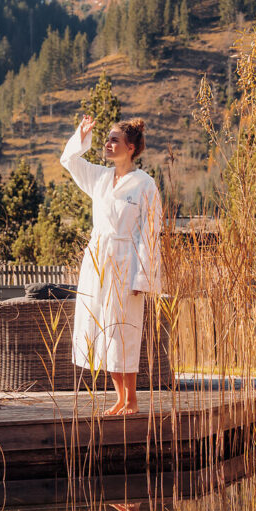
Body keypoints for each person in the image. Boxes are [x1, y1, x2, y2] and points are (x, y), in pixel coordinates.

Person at [59, 115, 162, 415]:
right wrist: (81, 135)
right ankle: (121, 398)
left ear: (130, 148)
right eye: (106, 138)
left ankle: (131, 399)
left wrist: (143, 278)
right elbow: (68, 159)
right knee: (102, 329)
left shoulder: (145, 184)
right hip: (98, 261)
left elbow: (150, 231)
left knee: (124, 329)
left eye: (114, 139)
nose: (107, 143)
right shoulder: (100, 178)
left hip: (126, 264)